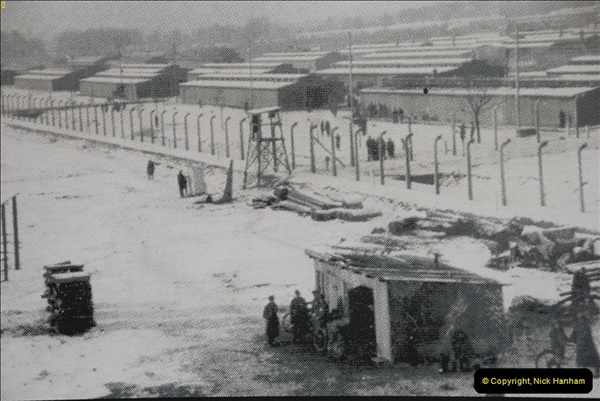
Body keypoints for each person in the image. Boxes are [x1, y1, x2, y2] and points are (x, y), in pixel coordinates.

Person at [571, 312, 600, 377]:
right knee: (594, 359)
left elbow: (573, 337)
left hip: (580, 347)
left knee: (582, 361)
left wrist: (576, 342)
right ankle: (596, 373)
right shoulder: (587, 327)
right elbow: (589, 337)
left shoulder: (576, 327)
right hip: (588, 346)